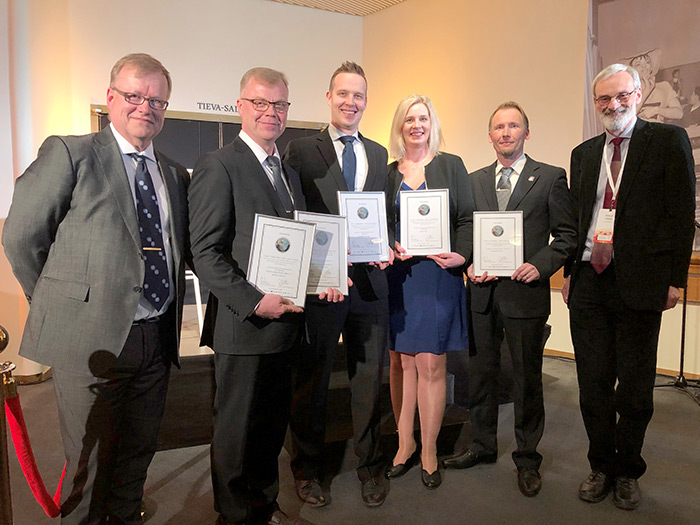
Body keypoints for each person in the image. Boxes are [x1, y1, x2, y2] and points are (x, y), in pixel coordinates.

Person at [2, 53, 189, 524]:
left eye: (157, 100)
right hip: (91, 338)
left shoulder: (173, 173)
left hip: (156, 335)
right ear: (110, 98)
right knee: (88, 460)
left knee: (137, 455)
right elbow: (22, 236)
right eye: (134, 95)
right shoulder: (71, 152)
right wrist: (56, 301)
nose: (145, 106)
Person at [188, 67, 319, 525]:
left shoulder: (287, 173)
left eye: (280, 104)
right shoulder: (218, 165)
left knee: (267, 427)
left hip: (285, 325)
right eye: (260, 102)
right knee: (236, 431)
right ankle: (236, 514)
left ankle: (264, 506)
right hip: (244, 325)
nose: (271, 112)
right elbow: (204, 253)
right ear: (240, 105)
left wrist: (322, 280)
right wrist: (253, 300)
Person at [563, 63, 695, 511]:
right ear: (595, 102)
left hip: (640, 283)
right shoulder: (583, 154)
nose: (613, 105)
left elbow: (681, 215)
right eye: (603, 98)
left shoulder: (666, 141)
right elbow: (577, 221)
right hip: (589, 284)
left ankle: (628, 470)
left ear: (638, 94)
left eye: (621, 95)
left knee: (635, 387)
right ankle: (601, 465)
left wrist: (676, 279)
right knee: (592, 384)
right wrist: (569, 275)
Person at [443, 102, 577, 499]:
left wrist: (540, 266)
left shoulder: (551, 177)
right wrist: (467, 263)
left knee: (526, 379)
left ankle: (527, 458)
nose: (505, 133)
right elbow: (463, 230)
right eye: (498, 127)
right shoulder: (473, 180)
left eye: (513, 126)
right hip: (481, 294)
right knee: (480, 375)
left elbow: (567, 235)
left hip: (525, 294)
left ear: (526, 133)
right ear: (490, 136)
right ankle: (483, 445)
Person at [283, 61, 390, 508]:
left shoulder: (380, 153)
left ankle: (369, 464)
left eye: (359, 96)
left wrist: (390, 242)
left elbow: (380, 214)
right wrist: (318, 271)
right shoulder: (300, 150)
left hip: (371, 283)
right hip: (322, 283)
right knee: (313, 378)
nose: (351, 102)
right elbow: (291, 215)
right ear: (329, 98)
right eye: (343, 94)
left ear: (367, 101)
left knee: (369, 379)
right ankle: (307, 468)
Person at [383, 94, 473, 490]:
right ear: (400, 126)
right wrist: (387, 243)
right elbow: (378, 221)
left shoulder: (451, 166)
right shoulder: (387, 174)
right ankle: (404, 445)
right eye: (409, 119)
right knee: (401, 364)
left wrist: (463, 255)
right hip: (399, 278)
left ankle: (430, 450)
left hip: (438, 277)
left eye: (423, 118)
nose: (416, 125)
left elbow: (469, 219)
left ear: (432, 124)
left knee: (431, 366)